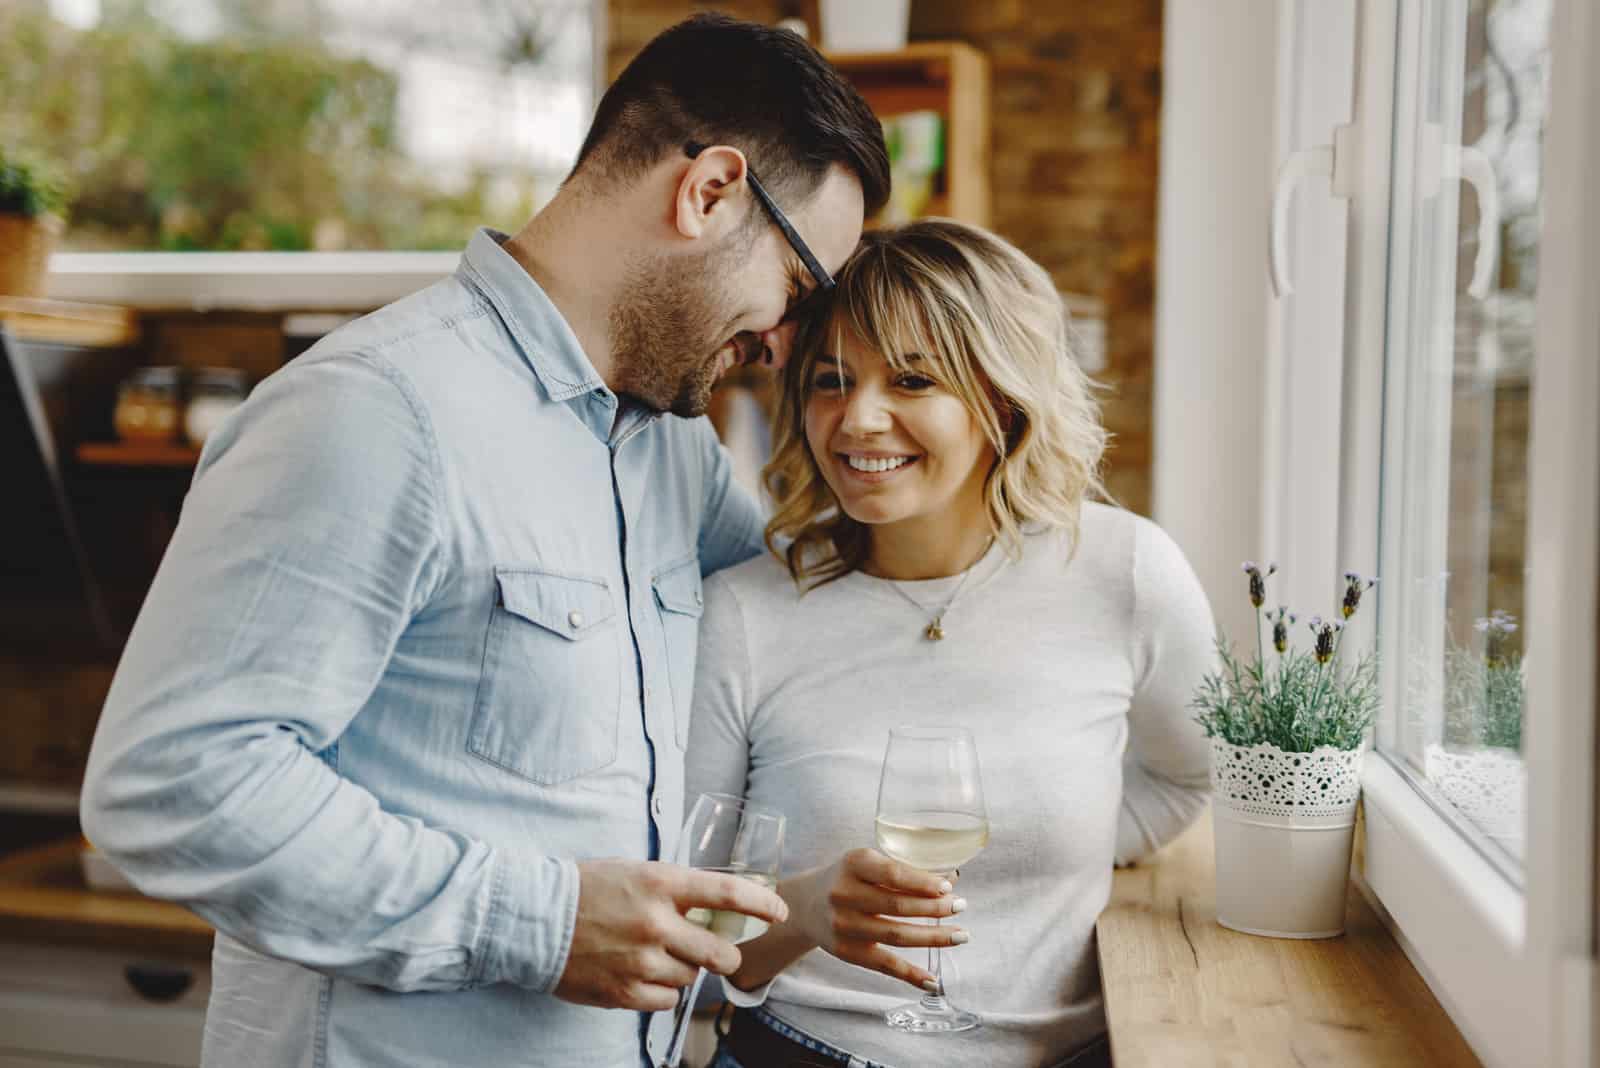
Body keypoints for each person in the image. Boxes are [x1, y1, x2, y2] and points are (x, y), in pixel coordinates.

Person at [78, 14, 888, 1068]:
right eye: (800, 287)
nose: (785, 343)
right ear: (709, 193)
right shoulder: (375, 413)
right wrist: (540, 923)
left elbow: (820, 601)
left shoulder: (669, 453)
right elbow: (174, 784)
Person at [685, 219, 1216, 1068]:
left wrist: (1071, 846)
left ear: (1002, 398)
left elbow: (1191, 774)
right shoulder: (744, 612)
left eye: (911, 379)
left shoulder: (1125, 571)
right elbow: (692, 934)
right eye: (830, 380)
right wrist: (805, 910)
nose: (857, 419)